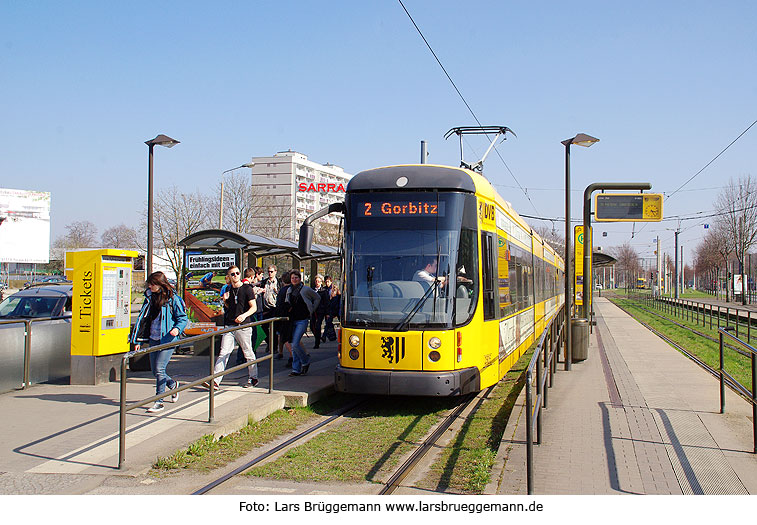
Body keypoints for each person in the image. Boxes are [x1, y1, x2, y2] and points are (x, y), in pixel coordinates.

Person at [130, 271, 188, 413]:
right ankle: (173, 385)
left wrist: (177, 329)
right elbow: (143, 320)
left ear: (159, 284)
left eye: (152, 284)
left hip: (168, 339)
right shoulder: (149, 297)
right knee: (155, 371)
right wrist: (138, 340)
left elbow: (182, 318)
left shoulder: (172, 299)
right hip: (153, 338)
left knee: (160, 369)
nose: (149, 286)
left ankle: (159, 401)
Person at [206, 265, 259, 390]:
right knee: (223, 352)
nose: (235, 276)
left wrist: (243, 316)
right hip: (229, 325)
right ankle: (215, 381)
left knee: (248, 352)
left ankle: (253, 377)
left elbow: (253, 307)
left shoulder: (247, 289)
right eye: (232, 274)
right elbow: (230, 307)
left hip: (243, 325)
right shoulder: (228, 289)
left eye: (237, 273)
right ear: (228, 277)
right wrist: (225, 301)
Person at [284, 269, 320, 376]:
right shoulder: (289, 290)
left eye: (296, 278)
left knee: (295, 344)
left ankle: (305, 361)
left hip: (302, 320)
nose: (294, 280)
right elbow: (287, 303)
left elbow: (317, 297)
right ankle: (296, 369)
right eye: (292, 278)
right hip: (292, 320)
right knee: (294, 344)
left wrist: (312, 309)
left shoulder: (305, 289)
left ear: (300, 279)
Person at [260, 265, 281, 356]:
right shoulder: (264, 282)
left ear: (275, 272)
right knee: (263, 327)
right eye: (268, 271)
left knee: (274, 328)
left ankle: (274, 347)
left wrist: (277, 292)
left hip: (275, 308)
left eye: (271, 271)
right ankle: (269, 343)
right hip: (266, 308)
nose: (270, 273)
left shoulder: (279, 283)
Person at [274, 271, 294, 366]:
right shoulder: (293, 289)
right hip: (292, 316)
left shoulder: (283, 291)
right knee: (290, 337)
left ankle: (292, 356)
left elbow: (280, 304)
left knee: (285, 337)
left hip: (284, 316)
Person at [310, 274, 330, 349]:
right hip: (313, 310)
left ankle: (317, 342)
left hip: (321, 311)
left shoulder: (324, 291)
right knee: (312, 326)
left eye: (318, 281)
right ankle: (317, 337)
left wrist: (327, 313)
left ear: (321, 282)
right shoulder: (312, 290)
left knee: (318, 326)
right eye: (316, 281)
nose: (317, 282)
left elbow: (327, 302)